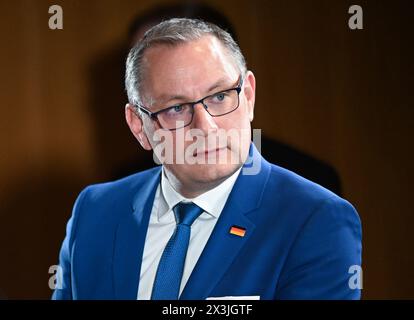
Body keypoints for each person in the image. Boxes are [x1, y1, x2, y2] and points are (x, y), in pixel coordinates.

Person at [52, 18, 362, 300]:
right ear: (139, 126)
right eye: (176, 108)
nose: (206, 126)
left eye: (219, 96)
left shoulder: (315, 219)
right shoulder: (95, 211)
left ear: (249, 96)